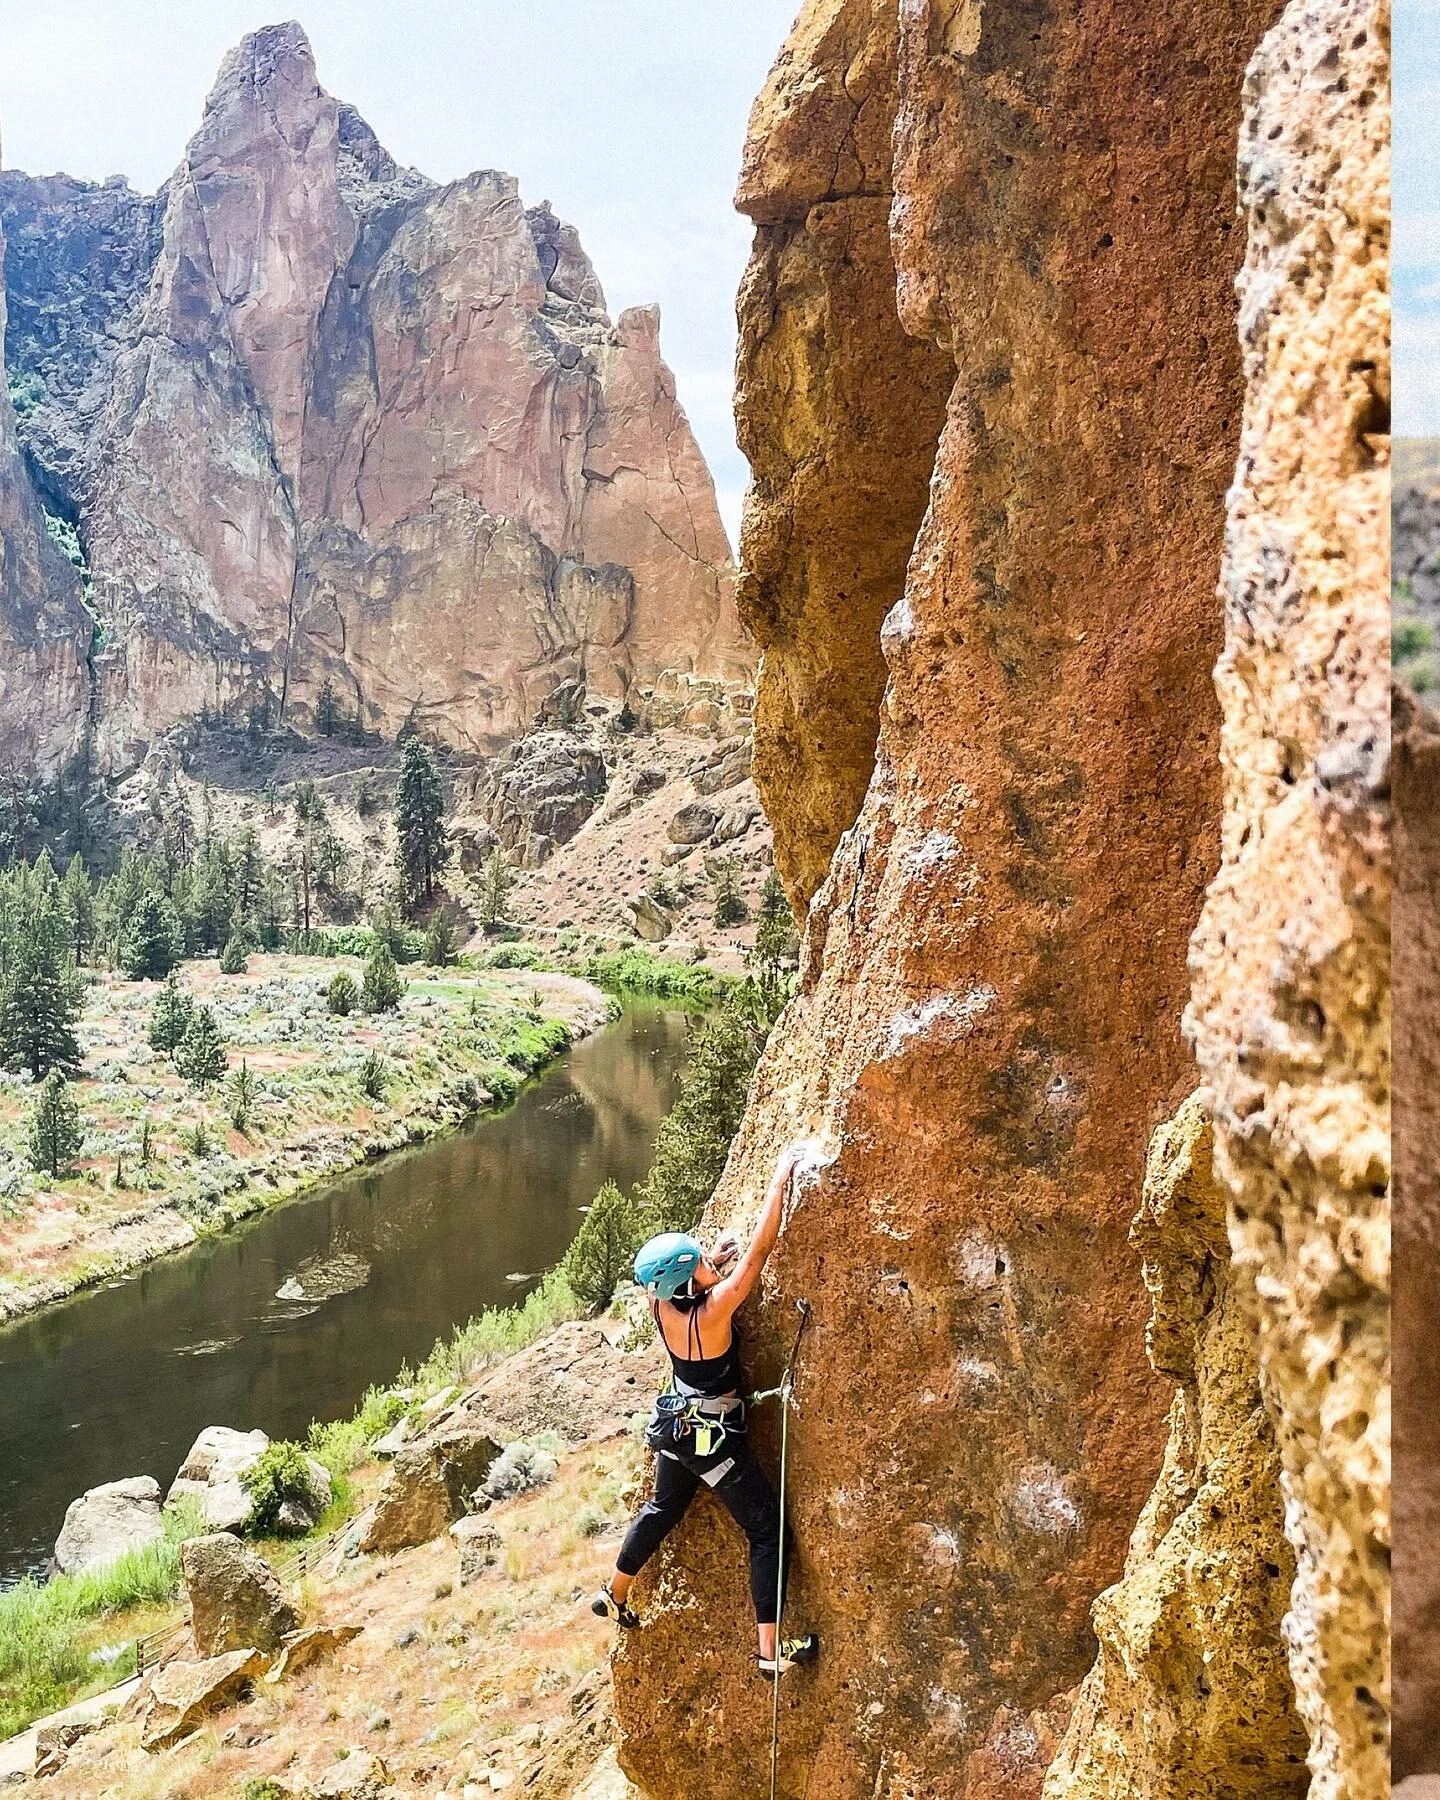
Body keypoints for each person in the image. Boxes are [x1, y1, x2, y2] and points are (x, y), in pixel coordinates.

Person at [591, 1143, 819, 1681]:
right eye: (699, 1266)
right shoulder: (716, 1313)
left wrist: (705, 1264)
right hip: (712, 1442)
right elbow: (760, 1248)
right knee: (767, 1532)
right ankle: (768, 1654)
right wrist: (780, 1176)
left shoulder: (661, 1306)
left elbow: (679, 1281)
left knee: (661, 1508)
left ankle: (615, 1592)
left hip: (674, 1429)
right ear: (693, 1283)